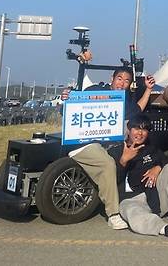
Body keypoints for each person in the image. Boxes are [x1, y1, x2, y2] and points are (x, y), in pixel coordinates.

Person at [62, 67, 155, 230]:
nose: (122, 83)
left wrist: (148, 89)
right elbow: (72, 106)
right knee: (108, 164)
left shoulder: (125, 100)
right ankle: (113, 214)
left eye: (127, 81)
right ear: (112, 78)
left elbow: (138, 110)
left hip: (106, 145)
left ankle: (131, 196)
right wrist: (66, 98)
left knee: (131, 154)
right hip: (83, 143)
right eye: (119, 78)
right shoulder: (95, 90)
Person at [108, 114, 168, 239]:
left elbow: (165, 159)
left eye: (144, 129)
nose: (140, 133)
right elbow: (109, 182)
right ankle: (166, 229)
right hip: (131, 201)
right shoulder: (115, 151)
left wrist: (157, 168)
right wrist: (123, 161)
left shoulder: (150, 148)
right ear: (128, 129)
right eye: (136, 128)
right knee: (133, 215)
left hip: (156, 199)